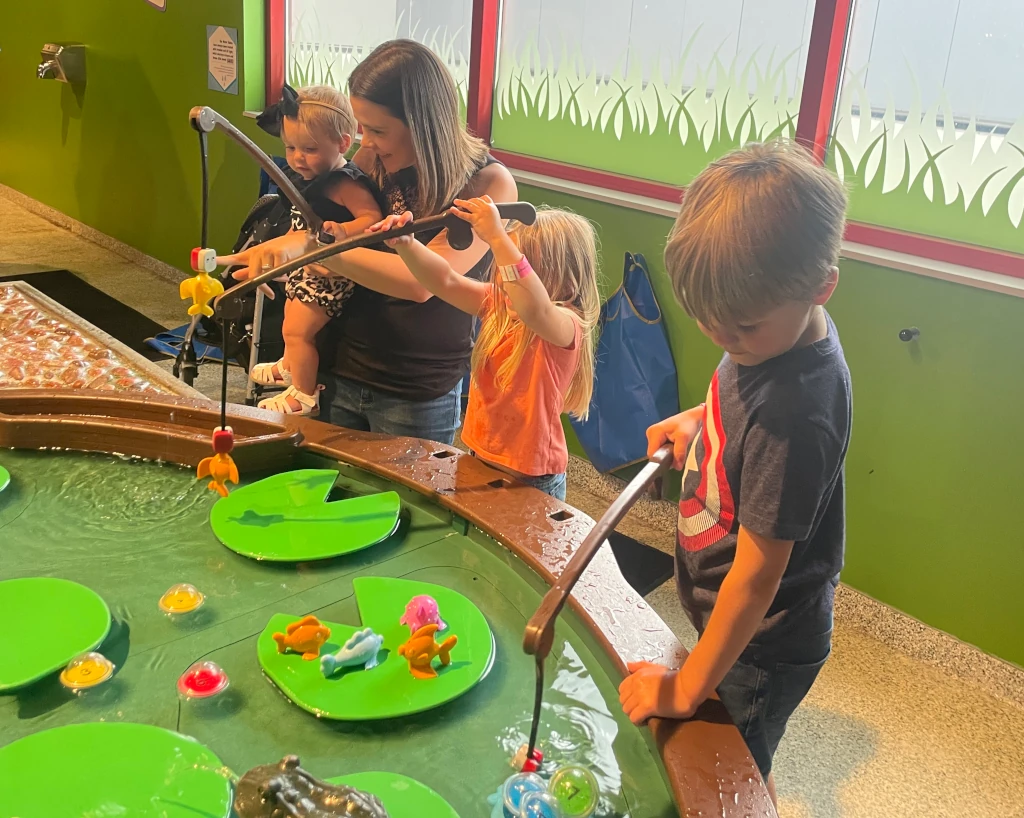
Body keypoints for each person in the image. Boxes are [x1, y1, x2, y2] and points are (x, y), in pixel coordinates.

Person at [617, 141, 852, 807]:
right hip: (735, 625)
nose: (722, 337)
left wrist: (687, 686)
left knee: (724, 773)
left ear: (820, 286)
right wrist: (700, 418)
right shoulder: (776, 338)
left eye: (740, 328)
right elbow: (741, 389)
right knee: (750, 754)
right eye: (706, 320)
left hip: (764, 645)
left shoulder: (796, 413)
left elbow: (756, 577)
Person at [222, 40, 517, 443]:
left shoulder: (489, 183)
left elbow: (420, 283)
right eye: (363, 128)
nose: (367, 142)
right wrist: (286, 251)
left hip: (414, 390)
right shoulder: (371, 157)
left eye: (378, 130)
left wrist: (311, 249)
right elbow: (331, 225)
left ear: (424, 123)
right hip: (338, 364)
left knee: (401, 503)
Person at [372, 197, 599, 500]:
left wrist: (497, 236)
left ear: (565, 280)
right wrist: (407, 245)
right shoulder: (499, 306)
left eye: (516, 265)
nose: (505, 279)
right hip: (479, 456)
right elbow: (446, 281)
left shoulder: (566, 325)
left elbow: (536, 310)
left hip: (530, 477)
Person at [246, 85, 383, 415]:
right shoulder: (312, 176)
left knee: (297, 331)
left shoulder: (344, 181)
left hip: (333, 273)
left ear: (343, 144)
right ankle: (291, 364)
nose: (297, 157)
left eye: (308, 148)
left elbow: (373, 217)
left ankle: (304, 395)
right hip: (309, 265)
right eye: (290, 147)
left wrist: (343, 230)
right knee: (289, 323)